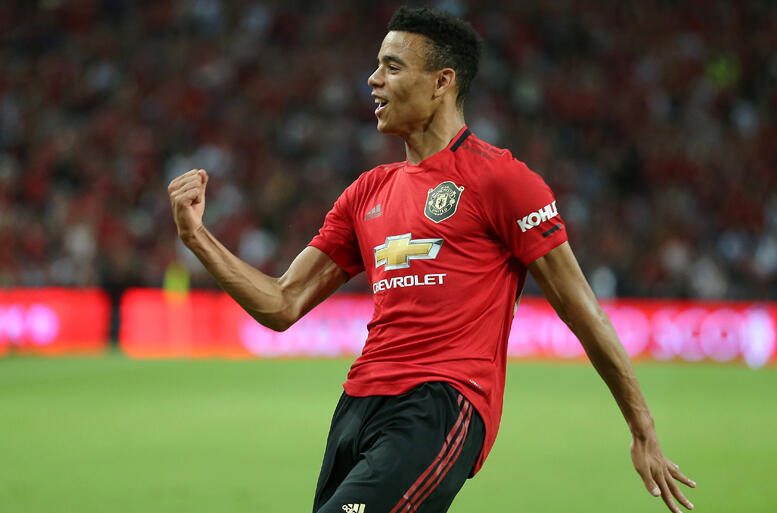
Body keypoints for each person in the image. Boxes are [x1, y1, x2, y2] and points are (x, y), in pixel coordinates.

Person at [168, 6, 696, 513]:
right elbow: (282, 303)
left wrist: (641, 426)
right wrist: (197, 239)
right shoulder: (366, 192)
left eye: (392, 67)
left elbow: (581, 308)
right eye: (377, 66)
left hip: (439, 405)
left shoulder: (502, 180)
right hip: (357, 406)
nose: (373, 79)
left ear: (442, 82)